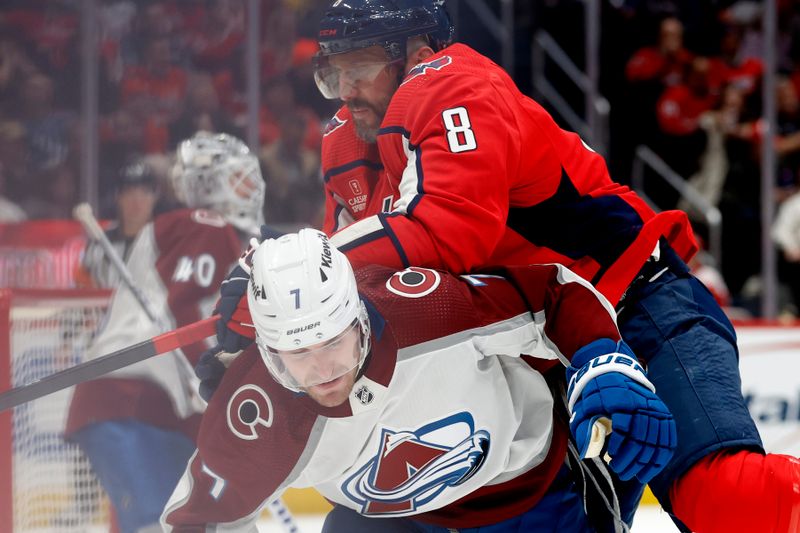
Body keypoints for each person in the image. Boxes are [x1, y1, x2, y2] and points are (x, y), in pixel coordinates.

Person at [207, 2, 800, 532]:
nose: (344, 89)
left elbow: (450, 230)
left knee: (721, 497)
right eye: (332, 71)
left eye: (358, 67)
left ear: (416, 52)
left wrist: (298, 268)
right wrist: (272, 349)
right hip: (528, 352)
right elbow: (361, 297)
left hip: (631, 306)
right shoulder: (345, 142)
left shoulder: (454, 82)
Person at [164, 228, 676, 532]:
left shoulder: (428, 311)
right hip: (392, 523)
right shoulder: (255, 409)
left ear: (360, 318)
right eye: (297, 355)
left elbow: (552, 295)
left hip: (526, 495)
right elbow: (197, 519)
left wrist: (603, 359)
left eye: (333, 344)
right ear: (269, 354)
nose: (323, 371)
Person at [64, 132, 266, 533]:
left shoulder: (194, 230)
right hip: (129, 404)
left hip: (162, 409)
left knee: (212, 522)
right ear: (209, 186)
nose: (250, 189)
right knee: (160, 524)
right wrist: (213, 377)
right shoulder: (205, 225)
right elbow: (183, 309)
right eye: (238, 179)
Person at [76, 160, 160, 288]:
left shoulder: (163, 241)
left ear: (154, 198)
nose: (137, 201)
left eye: (144, 192)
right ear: (118, 197)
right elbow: (81, 286)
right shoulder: (99, 242)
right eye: (130, 192)